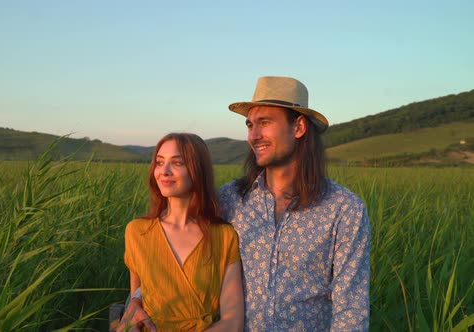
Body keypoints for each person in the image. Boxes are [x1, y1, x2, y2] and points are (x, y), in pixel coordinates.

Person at [217, 76, 371, 331]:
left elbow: (351, 312)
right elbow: (183, 253)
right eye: (250, 125)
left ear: (299, 127)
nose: (253, 136)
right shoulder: (230, 199)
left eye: (264, 123)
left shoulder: (344, 210)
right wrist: (137, 298)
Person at [118, 133, 244, 331]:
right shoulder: (137, 231)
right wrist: (133, 307)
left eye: (177, 163)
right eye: (159, 163)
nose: (164, 171)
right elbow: (138, 298)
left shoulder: (224, 236)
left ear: (197, 171)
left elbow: (233, 322)